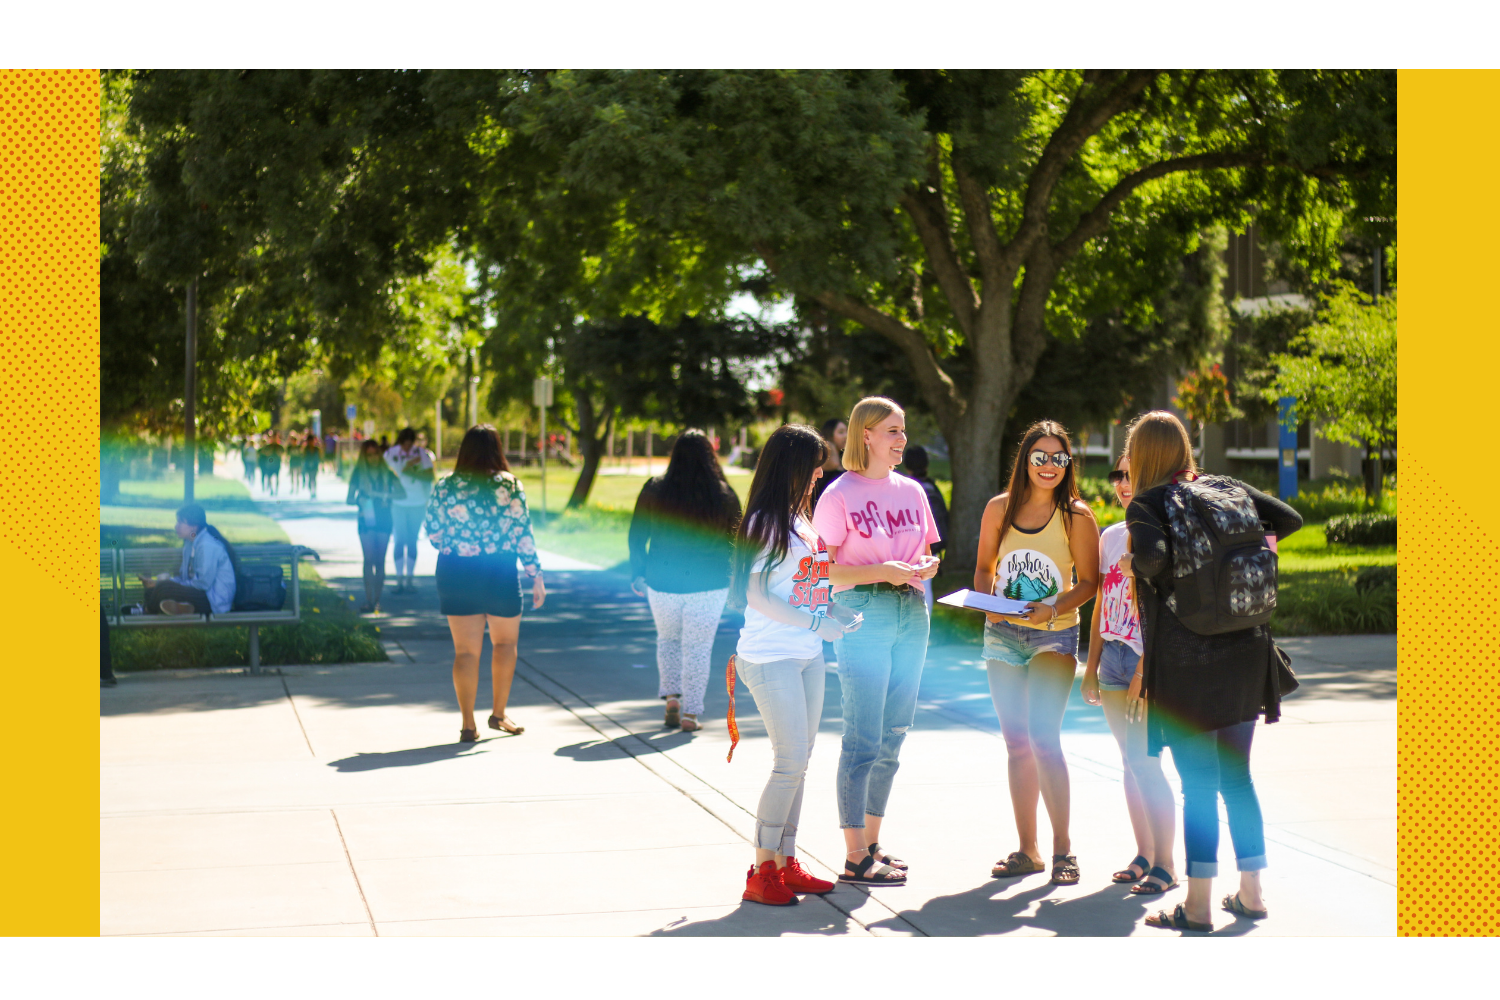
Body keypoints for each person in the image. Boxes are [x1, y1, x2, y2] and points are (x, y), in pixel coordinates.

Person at [1124, 411, 1302, 933]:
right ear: (1182, 449)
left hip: (1186, 659)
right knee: (1238, 779)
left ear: (1141, 456)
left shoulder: (1147, 504)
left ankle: (1198, 905)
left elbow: (1153, 562)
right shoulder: (1224, 487)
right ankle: (1252, 894)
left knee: (1198, 786)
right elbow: (1287, 519)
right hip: (1247, 649)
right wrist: (1234, 554)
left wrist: (1144, 554)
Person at [812, 397, 941, 886]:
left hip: (913, 608)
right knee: (863, 736)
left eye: (903, 430)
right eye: (892, 430)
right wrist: (880, 571)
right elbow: (819, 569)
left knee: (894, 733)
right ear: (865, 434)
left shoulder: (912, 491)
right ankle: (853, 856)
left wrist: (925, 568)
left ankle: (871, 843)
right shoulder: (837, 493)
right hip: (864, 611)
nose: (902, 439)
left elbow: (924, 553)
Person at [729, 423, 854, 906]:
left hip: (806, 655)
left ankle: (786, 862)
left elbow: (805, 587)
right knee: (789, 763)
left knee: (799, 765)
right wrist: (812, 623)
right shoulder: (765, 522)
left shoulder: (802, 521)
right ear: (792, 468)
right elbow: (755, 594)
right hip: (769, 656)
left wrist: (831, 613)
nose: (821, 473)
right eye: (814, 465)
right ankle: (761, 871)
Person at [975, 420, 1099, 887]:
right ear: (1025, 460)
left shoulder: (1077, 516)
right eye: (1040, 457)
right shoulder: (998, 509)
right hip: (1001, 635)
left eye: (1059, 458)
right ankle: (1027, 850)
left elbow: (1089, 583)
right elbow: (985, 567)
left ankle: (1063, 849)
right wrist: (987, 603)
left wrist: (1051, 608)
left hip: (1054, 636)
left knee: (1044, 739)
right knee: (1016, 743)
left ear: (1069, 465)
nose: (1049, 466)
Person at [1080, 453, 1178, 896]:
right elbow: (1103, 600)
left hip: (1144, 658)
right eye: (1118, 475)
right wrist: (1091, 664)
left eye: (1132, 474)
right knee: (1129, 762)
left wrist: (1143, 670)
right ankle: (1143, 855)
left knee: (1146, 761)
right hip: (1112, 656)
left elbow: (1161, 611)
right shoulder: (1112, 536)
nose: (1123, 483)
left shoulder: (1158, 538)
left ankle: (1166, 863)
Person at [425, 424, 544, 742]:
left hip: (456, 571)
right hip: (500, 571)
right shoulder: (510, 485)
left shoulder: (446, 486)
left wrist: (455, 547)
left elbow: (433, 530)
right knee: (505, 644)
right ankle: (499, 713)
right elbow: (523, 532)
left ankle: (468, 725)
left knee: (465, 652)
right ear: (497, 449)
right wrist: (535, 574)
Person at [629, 429, 742, 732]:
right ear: (710, 457)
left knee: (668, 640)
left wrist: (637, 572)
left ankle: (671, 699)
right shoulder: (724, 494)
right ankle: (692, 713)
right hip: (710, 582)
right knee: (698, 648)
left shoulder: (654, 489)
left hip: (662, 579)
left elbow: (638, 532)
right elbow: (737, 541)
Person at [140, 503, 239, 617]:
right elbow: (185, 578)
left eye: (180, 522)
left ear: (194, 526)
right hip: (200, 593)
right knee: (153, 590)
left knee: (164, 588)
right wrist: (158, 583)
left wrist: (169, 585)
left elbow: (203, 584)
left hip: (213, 600)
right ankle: (184, 607)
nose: (176, 526)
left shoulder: (207, 546)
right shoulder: (189, 544)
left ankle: (146, 611)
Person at [346, 439, 403, 614]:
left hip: (384, 518)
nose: (372, 458)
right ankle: (367, 599)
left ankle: (377, 600)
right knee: (368, 558)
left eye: (375, 454)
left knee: (380, 560)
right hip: (366, 517)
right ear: (364, 457)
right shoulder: (358, 473)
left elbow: (402, 493)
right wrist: (359, 500)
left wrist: (383, 495)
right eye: (368, 455)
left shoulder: (387, 473)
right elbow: (349, 498)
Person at [385, 428, 436, 594]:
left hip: (417, 502)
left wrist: (412, 470)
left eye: (410, 443)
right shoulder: (391, 454)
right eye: (404, 444)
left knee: (412, 540)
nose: (407, 448)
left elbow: (430, 476)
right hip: (398, 502)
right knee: (400, 539)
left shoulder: (422, 454)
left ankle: (410, 579)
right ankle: (399, 579)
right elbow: (386, 473)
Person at [898, 444, 949, 613]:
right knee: (926, 588)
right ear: (926, 464)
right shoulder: (932, 487)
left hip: (909, 549)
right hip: (931, 548)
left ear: (906, 465)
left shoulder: (905, 488)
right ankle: (927, 626)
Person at [809, 417, 847, 508]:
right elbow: (834, 465)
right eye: (841, 432)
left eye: (847, 431)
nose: (846, 435)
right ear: (830, 434)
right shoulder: (826, 450)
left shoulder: (842, 455)